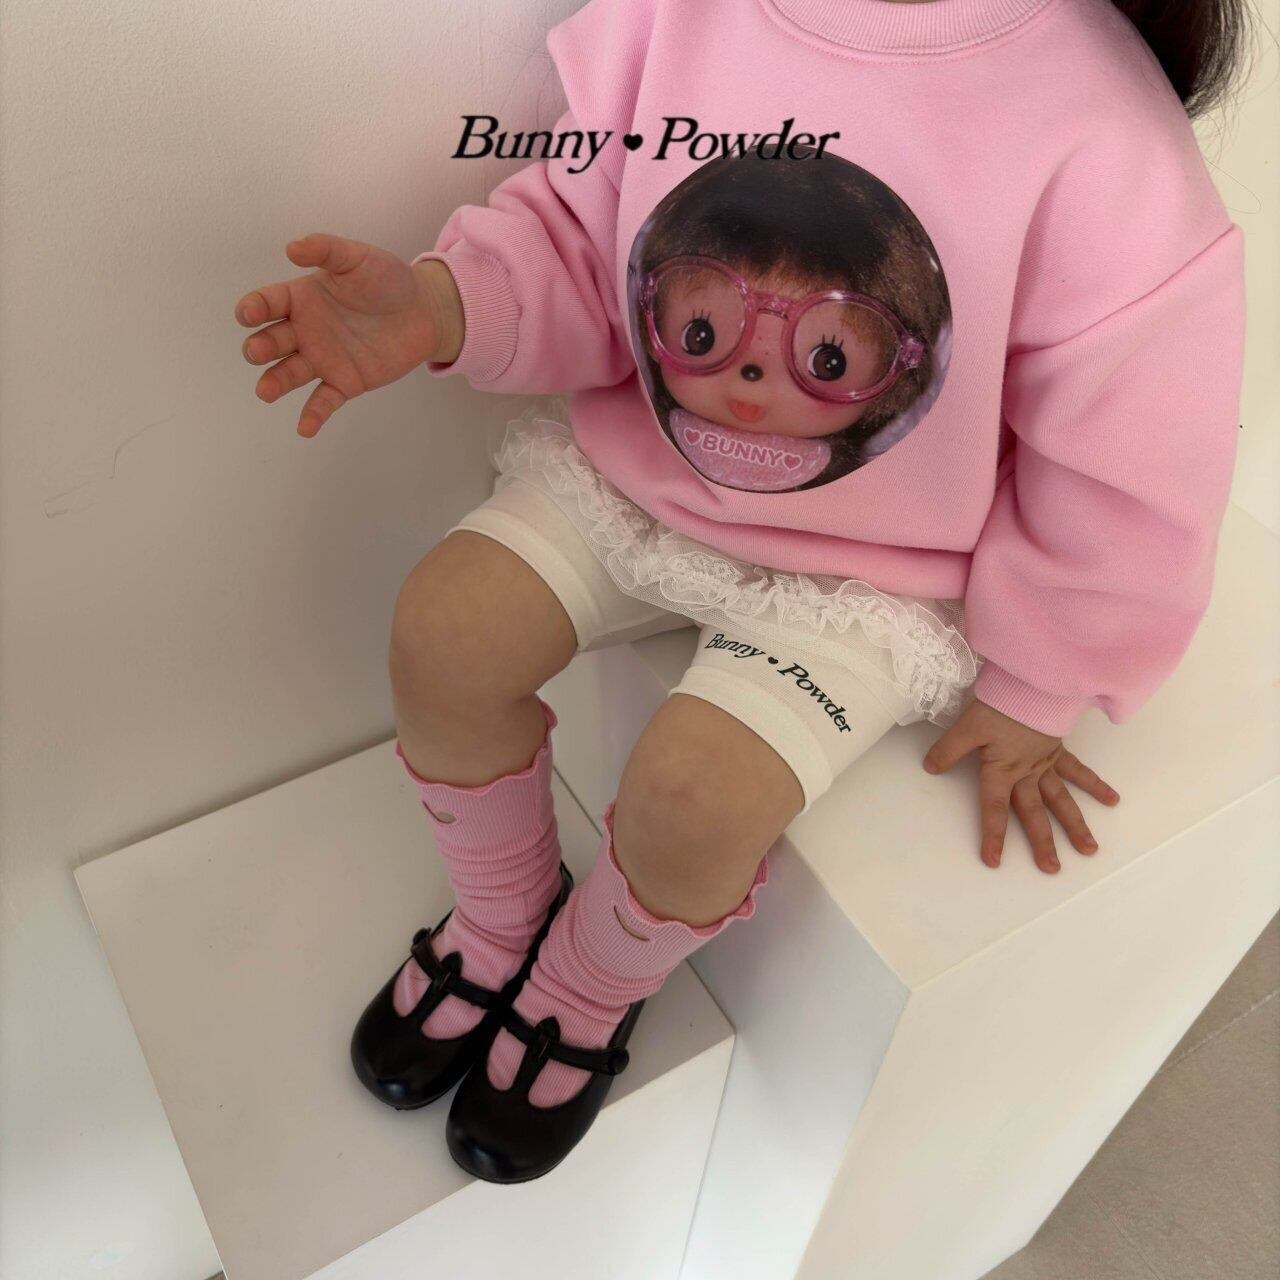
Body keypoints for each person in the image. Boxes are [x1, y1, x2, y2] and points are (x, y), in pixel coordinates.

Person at [233, 0, 1249, 1183]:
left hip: (873, 570)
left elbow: (1134, 441)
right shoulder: (676, 16)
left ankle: (587, 981)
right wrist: (443, 303)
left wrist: (1044, 672)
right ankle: (499, 909)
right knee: (441, 631)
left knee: (696, 800)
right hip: (641, 481)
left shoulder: (1099, 127)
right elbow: (587, 240)